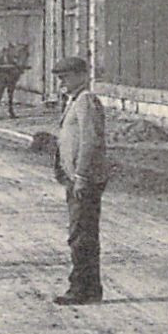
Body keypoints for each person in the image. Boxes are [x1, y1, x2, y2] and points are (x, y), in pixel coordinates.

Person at [52, 56, 108, 305]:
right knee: (82, 232)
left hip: (84, 179)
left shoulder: (86, 100)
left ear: (82, 75)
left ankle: (80, 288)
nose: (62, 82)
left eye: (66, 77)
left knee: (80, 234)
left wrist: (82, 175)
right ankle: (91, 288)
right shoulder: (75, 100)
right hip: (76, 178)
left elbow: (90, 141)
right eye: (60, 78)